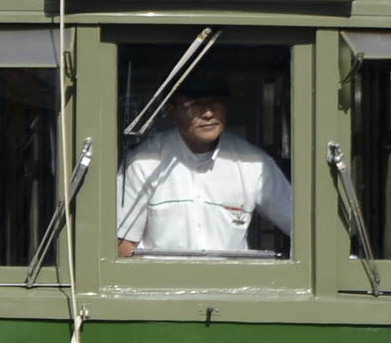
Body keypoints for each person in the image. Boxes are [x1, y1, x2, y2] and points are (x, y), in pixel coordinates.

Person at [118, 88, 291, 257]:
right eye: (194, 104)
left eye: (215, 102)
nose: (208, 113)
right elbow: (122, 246)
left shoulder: (253, 164)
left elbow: (303, 229)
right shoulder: (143, 163)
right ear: (172, 112)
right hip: (161, 283)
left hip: (231, 282)